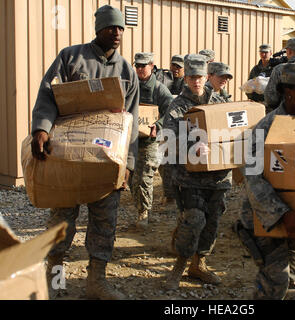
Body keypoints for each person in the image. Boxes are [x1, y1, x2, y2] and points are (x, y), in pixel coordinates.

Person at [30, 5, 139, 300]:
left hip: (106, 161)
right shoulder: (71, 57)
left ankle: (96, 282)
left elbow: (132, 120)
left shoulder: (127, 70)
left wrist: (128, 163)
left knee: (105, 221)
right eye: (110, 28)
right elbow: (47, 94)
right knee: (62, 220)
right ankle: (56, 280)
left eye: (120, 29)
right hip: (67, 157)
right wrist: (41, 128)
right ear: (98, 29)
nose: (116, 34)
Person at [235, 62, 295, 300]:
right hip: (267, 220)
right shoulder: (266, 128)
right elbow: (253, 177)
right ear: (288, 92)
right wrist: (282, 213)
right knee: (274, 284)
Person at [162, 54, 231, 290]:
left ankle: (198, 264)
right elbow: (168, 139)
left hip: (218, 177)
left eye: (200, 77)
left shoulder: (219, 103)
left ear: (207, 76)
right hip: (189, 177)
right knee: (194, 220)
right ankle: (179, 267)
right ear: (186, 78)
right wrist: (192, 144)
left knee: (212, 222)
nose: (196, 81)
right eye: (192, 77)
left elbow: (232, 131)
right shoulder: (177, 106)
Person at [130, 52, 174, 228]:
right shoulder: (131, 86)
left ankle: (143, 212)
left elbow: (171, 110)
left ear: (152, 66)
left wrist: (159, 124)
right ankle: (140, 206)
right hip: (133, 139)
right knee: (133, 176)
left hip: (151, 141)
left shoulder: (160, 89)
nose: (140, 69)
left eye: (143, 66)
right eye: (137, 66)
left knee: (144, 176)